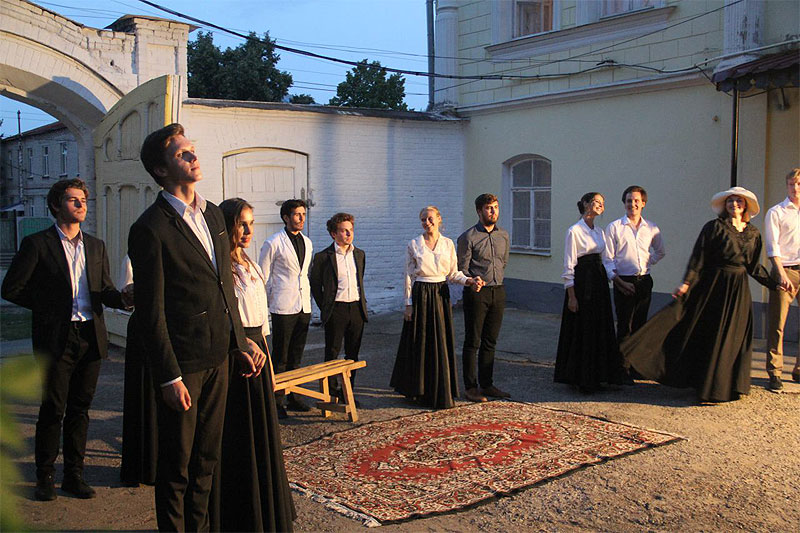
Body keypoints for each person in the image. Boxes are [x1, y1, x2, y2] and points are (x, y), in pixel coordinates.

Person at [128, 123, 260, 532]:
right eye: (181, 153)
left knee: (206, 460)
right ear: (161, 170)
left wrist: (241, 341)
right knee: (177, 466)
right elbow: (151, 311)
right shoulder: (150, 228)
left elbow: (225, 287)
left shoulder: (214, 214)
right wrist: (168, 376)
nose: (192, 155)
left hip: (219, 357)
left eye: (192, 149)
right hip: (183, 364)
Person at [2, 178, 129, 501]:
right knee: (53, 409)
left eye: (83, 199)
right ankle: (44, 476)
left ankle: (74, 475)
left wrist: (125, 298)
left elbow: (103, 290)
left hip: (90, 336)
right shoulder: (37, 244)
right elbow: (12, 288)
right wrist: (50, 307)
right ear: (57, 205)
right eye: (74, 200)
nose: (81, 204)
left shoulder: (96, 246)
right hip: (56, 337)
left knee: (80, 409)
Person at [621, 187, 787, 403]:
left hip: (738, 292)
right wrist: (686, 283)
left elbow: (754, 266)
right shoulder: (714, 227)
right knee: (713, 334)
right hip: (714, 287)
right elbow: (698, 257)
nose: (734, 204)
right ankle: (708, 387)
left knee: (733, 338)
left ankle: (729, 386)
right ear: (725, 205)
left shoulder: (753, 233)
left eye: (738, 201)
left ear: (745, 205)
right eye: (730, 201)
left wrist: (774, 284)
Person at [215, 198, 295, 532]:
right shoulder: (220, 266)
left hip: (259, 348)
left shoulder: (249, 263)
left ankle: (266, 506)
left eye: (251, 223)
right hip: (237, 353)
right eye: (241, 224)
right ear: (227, 226)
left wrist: (269, 362)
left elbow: (261, 320)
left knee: (262, 433)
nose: (248, 230)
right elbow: (220, 315)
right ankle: (240, 514)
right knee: (238, 435)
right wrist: (241, 344)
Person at [390, 206, 483, 409]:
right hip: (421, 294)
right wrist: (408, 304)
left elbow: (453, 274)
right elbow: (408, 276)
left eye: (430, 218)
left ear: (439, 219)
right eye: (423, 219)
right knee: (420, 341)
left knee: (440, 341)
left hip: (440, 294)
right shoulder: (414, 244)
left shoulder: (448, 244)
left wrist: (470, 281)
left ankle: (439, 389)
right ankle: (418, 390)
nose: (427, 222)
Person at [554, 192, 626, 393]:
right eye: (597, 202)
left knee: (599, 328)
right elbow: (569, 266)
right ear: (586, 204)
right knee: (583, 329)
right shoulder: (574, 231)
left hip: (599, 284)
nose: (601, 206)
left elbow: (607, 260)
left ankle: (600, 376)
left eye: (603, 203)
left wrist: (617, 281)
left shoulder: (600, 232)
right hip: (582, 283)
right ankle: (583, 379)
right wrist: (572, 297)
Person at [258, 199, 313, 417]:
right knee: (280, 356)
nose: (301, 218)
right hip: (283, 305)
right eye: (297, 214)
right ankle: (276, 401)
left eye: (303, 214)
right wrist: (264, 305)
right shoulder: (273, 242)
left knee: (297, 355)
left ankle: (294, 397)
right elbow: (262, 277)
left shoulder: (307, 242)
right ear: (286, 217)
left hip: (303, 305)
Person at [309, 212, 368, 404]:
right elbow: (315, 285)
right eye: (343, 231)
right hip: (337, 310)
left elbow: (360, 280)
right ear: (333, 234)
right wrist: (327, 307)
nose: (348, 234)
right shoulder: (323, 257)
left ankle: (348, 393)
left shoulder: (359, 254)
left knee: (353, 354)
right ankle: (332, 393)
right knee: (332, 352)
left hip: (356, 309)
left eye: (350, 230)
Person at [457, 193, 510, 403]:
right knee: (473, 341)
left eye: (495, 207)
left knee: (491, 340)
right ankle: (471, 387)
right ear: (479, 211)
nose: (493, 211)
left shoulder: (503, 235)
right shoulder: (468, 237)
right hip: (477, 293)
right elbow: (462, 269)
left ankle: (487, 384)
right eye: (489, 208)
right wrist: (473, 280)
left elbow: (503, 262)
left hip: (498, 290)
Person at [604, 186, 666, 344]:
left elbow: (660, 252)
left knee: (640, 326)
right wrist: (620, 282)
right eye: (629, 201)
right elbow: (607, 259)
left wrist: (647, 262)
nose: (632, 204)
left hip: (644, 281)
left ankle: (636, 360)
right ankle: (621, 360)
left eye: (636, 201)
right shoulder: (614, 227)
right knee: (624, 326)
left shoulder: (651, 228)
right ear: (624, 203)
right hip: (623, 282)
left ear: (643, 203)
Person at [118, 256, 157, 487]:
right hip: (143, 329)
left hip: (171, 330)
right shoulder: (133, 258)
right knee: (141, 396)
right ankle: (141, 466)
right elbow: (127, 299)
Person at [763, 168, 800, 391]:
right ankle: (775, 372)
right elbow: (772, 246)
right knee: (778, 324)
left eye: (799, 184)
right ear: (787, 186)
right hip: (784, 270)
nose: (795, 188)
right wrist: (781, 273)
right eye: (791, 184)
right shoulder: (776, 212)